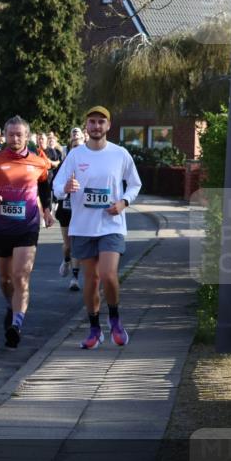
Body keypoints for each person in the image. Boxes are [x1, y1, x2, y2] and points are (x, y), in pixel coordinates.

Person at [53, 106, 142, 349]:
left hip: (111, 225)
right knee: (91, 280)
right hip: (83, 227)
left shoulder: (120, 154)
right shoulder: (75, 155)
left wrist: (123, 202)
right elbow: (57, 186)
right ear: (86, 126)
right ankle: (94, 329)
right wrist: (65, 189)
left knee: (108, 274)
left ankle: (115, 320)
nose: (96, 126)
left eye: (101, 122)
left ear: (108, 126)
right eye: (92, 122)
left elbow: (135, 184)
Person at [0, 116, 54, 348]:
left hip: (27, 227)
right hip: (1, 227)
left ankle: (16, 324)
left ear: (27, 137)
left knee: (21, 276)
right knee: (5, 279)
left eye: (19, 134)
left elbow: (44, 185)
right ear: (4, 136)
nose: (15, 138)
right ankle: (11, 305)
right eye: (11, 134)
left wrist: (47, 210)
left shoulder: (38, 162)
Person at [55, 132, 82, 291]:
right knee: (68, 245)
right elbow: (55, 186)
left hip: (80, 210)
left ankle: (75, 278)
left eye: (79, 147)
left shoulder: (88, 165)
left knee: (76, 244)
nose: (77, 150)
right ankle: (66, 260)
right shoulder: (64, 165)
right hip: (65, 209)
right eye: (74, 147)